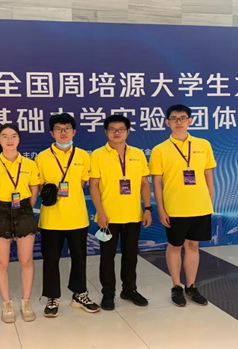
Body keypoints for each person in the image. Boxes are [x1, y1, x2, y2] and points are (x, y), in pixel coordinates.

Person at [149, 104, 216, 307]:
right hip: (175, 207)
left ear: (190, 121)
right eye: (174, 118)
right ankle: (176, 286)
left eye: (183, 118)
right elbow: (157, 183)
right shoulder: (160, 149)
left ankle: (191, 286)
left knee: (193, 245)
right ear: (167, 122)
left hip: (200, 206)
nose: (178, 122)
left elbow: (208, 175)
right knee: (175, 245)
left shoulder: (203, 144)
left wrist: (209, 200)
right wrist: (161, 209)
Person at [35, 113, 100, 317]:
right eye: (58, 129)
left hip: (77, 217)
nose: (63, 133)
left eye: (67, 129)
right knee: (50, 260)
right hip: (51, 219)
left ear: (74, 131)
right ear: (51, 133)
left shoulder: (83, 156)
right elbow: (39, 185)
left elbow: (83, 182)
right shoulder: (42, 157)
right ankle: (52, 297)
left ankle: (80, 294)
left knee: (79, 258)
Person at [0, 123, 40, 323]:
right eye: (4, 136)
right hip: (0, 213)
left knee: (26, 260)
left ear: (19, 139)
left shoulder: (29, 164)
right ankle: (7, 303)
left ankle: (26, 302)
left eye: (13, 136)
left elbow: (34, 189)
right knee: (2, 262)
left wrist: (26, 208)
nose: (9, 140)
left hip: (24, 211)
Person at [89, 115, 152, 311]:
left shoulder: (138, 154)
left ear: (128, 131)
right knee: (107, 257)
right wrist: (100, 213)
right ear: (106, 132)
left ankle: (129, 290)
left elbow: (144, 183)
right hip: (108, 217)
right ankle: (108, 293)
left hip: (133, 215)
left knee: (131, 255)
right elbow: (93, 186)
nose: (117, 133)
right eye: (112, 129)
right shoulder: (97, 155)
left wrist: (147, 208)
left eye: (121, 129)